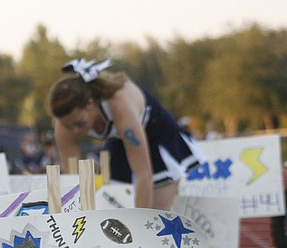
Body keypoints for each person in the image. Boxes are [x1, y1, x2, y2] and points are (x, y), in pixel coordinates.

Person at [48, 58, 205, 210]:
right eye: (67, 126)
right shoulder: (66, 125)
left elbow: (143, 173)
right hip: (118, 144)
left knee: (156, 214)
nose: (74, 131)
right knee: (114, 206)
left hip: (157, 137)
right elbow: (73, 181)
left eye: (79, 123)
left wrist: (139, 224)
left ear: (90, 104)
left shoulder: (119, 105)